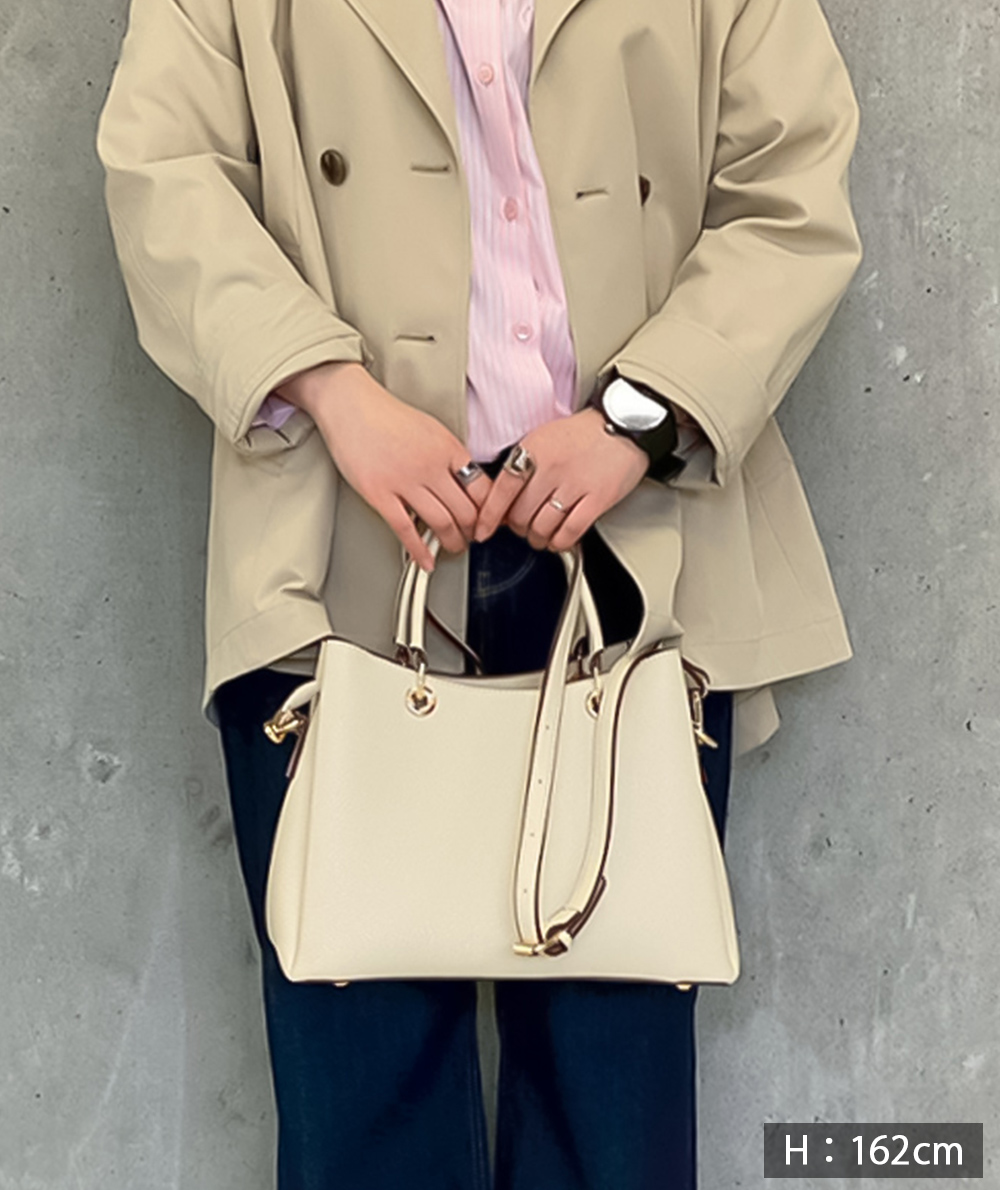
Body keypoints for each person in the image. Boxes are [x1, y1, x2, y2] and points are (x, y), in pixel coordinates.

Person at [95, 0, 862, 1185]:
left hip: (628, 564)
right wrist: (337, 393)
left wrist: (636, 419)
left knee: (614, 1121)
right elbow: (163, 169)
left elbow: (791, 183)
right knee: (363, 1114)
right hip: (340, 563)